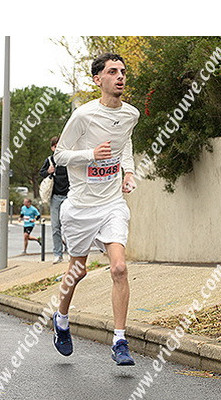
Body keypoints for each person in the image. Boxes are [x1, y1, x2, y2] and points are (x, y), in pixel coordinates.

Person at [52, 53, 139, 365]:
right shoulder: (83, 115)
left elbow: (125, 144)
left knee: (119, 268)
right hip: (81, 207)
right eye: (112, 71)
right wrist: (91, 154)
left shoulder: (131, 114)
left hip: (112, 203)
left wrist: (128, 172)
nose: (120, 76)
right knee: (78, 270)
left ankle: (120, 341)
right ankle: (61, 319)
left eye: (122, 71)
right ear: (97, 79)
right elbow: (60, 156)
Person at [39, 136, 70, 264]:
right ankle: (58, 254)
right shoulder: (50, 160)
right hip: (56, 197)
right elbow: (41, 173)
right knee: (56, 227)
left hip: (69, 197)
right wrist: (48, 171)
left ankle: (71, 253)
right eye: (56, 146)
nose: (58, 149)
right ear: (52, 148)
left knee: (70, 226)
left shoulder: (69, 159)